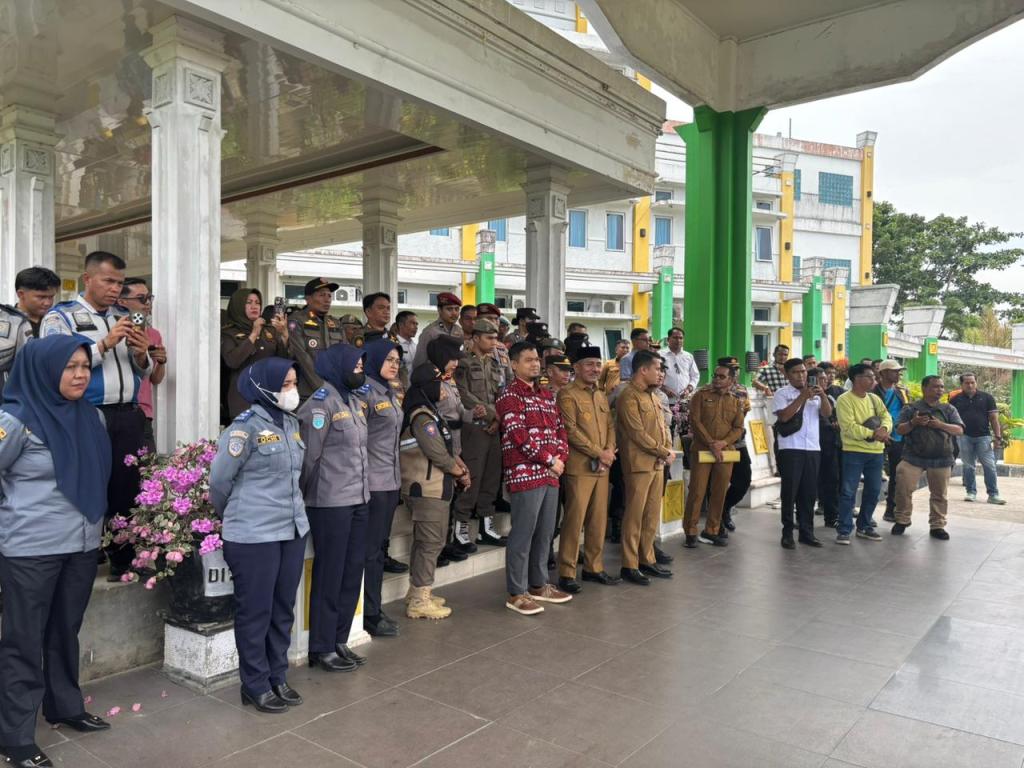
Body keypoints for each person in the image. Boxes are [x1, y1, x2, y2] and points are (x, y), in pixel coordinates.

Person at [0, 336, 113, 768]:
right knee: (23, 641)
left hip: (82, 544)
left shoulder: (93, 416)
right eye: (70, 367)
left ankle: (64, 705)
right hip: (30, 549)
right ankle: (14, 735)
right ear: (44, 369)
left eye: (85, 365)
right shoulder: (16, 419)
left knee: (65, 630)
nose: (81, 374)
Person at [42, 251, 152, 580]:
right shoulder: (61, 317)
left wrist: (141, 353)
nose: (115, 289)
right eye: (108, 281)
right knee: (89, 486)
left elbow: (142, 371)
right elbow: (55, 365)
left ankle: (123, 560)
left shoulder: (127, 315)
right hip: (87, 414)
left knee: (127, 488)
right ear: (88, 279)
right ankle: (84, 560)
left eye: (119, 282)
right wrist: (104, 344)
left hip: (128, 413)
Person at [210, 358, 307, 714]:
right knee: (256, 611)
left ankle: (277, 675)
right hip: (253, 534)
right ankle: (254, 683)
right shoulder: (243, 428)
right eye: (285, 384)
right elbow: (219, 483)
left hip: (292, 529)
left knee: (282, 608)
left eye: (294, 383)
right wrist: (238, 518)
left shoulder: (292, 423)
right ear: (264, 387)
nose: (292, 391)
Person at [297, 345, 370, 673]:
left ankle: (339, 639)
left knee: (353, 569)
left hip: (359, 499)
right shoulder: (318, 405)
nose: (359, 368)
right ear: (337, 365)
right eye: (355, 363)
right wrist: (304, 497)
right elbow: (309, 459)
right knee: (330, 573)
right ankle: (321, 646)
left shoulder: (354, 401)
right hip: (330, 502)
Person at [496, 341, 571, 615]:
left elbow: (561, 430)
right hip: (525, 473)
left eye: (537, 359)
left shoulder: (547, 396)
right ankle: (516, 592)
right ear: (513, 364)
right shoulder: (509, 395)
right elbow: (518, 436)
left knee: (545, 533)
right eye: (528, 360)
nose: (535, 364)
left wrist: (559, 458)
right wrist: (550, 460)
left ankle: (539, 585)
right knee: (523, 534)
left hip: (552, 473)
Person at [401, 363, 472, 619]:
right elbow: (437, 453)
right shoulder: (422, 416)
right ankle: (420, 600)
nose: (444, 387)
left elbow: (447, 449)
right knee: (431, 543)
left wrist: (460, 466)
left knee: (427, 542)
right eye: (439, 383)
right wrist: (460, 472)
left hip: (435, 486)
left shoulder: (431, 412)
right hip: (426, 488)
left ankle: (417, 590)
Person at [555, 345, 620, 593]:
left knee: (598, 520)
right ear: (576, 368)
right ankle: (566, 572)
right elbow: (570, 431)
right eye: (589, 364)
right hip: (579, 468)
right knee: (575, 521)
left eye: (597, 364)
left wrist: (610, 450)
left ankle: (594, 567)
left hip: (602, 466)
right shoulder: (567, 394)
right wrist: (599, 452)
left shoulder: (601, 394)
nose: (595, 369)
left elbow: (610, 425)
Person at [354, 338, 406, 635]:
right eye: (388, 359)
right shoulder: (364, 393)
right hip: (372, 482)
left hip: (390, 480)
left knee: (379, 548)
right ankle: (369, 613)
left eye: (397, 360)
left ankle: (374, 607)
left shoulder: (389, 391)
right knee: (371, 551)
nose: (394, 364)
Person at [616, 350, 675, 584]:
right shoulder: (628, 395)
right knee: (634, 515)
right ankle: (629, 564)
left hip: (657, 463)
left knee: (651, 515)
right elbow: (637, 433)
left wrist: (667, 451)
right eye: (658, 368)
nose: (661, 373)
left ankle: (647, 559)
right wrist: (663, 452)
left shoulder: (653, 396)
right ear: (643, 370)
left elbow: (663, 428)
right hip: (639, 464)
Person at [451, 319, 505, 556]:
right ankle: (460, 528)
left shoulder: (496, 362)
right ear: (475, 338)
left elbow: (503, 391)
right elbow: (462, 392)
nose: (494, 342)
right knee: (471, 476)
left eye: (495, 337)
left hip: (494, 426)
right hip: (474, 426)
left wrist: (498, 417)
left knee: (492, 477)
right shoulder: (463, 362)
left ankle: (486, 525)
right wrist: (492, 413)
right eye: (489, 338)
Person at [682, 363, 746, 549]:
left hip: (724, 452)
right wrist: (711, 443)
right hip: (703, 450)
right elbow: (695, 421)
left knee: (719, 492)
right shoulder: (701, 395)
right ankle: (691, 531)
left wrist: (722, 443)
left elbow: (738, 428)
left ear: (732, 380)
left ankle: (711, 530)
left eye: (721, 376)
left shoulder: (735, 400)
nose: (716, 379)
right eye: (715, 375)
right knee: (697, 491)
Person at [892, 375, 965, 539]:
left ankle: (937, 525)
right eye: (935, 386)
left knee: (940, 494)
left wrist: (940, 425)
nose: (939, 390)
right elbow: (899, 430)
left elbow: (959, 430)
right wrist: (913, 423)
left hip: (942, 457)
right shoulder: (911, 408)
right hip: (913, 457)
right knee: (903, 486)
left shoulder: (948, 409)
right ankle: (902, 520)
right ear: (924, 388)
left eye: (941, 387)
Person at [773, 356, 831, 549]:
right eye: (796, 372)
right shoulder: (782, 393)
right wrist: (802, 397)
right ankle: (787, 532)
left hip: (813, 448)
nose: (801, 375)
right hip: (790, 447)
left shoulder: (815, 392)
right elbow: (784, 416)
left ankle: (807, 532)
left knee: (808, 493)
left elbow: (827, 414)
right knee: (790, 493)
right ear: (787, 375)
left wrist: (822, 396)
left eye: (803, 371)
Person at [834, 363, 891, 544]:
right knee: (848, 491)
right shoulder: (845, 399)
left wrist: (884, 428)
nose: (874, 380)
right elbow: (849, 427)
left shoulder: (874, 399)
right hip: (854, 451)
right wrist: (875, 434)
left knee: (874, 490)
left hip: (876, 452)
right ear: (856, 379)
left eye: (874, 377)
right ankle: (844, 529)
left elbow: (887, 416)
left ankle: (864, 526)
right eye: (870, 376)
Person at [221, 289, 291, 420]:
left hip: (269, 397)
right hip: (243, 399)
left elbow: (284, 362)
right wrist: (254, 334)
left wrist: (284, 334)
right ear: (239, 306)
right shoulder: (229, 332)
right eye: (249, 303)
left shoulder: (270, 330)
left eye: (257, 303)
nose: (254, 306)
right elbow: (232, 361)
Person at [118, 279, 167, 452]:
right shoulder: (114, 330)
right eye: (141, 298)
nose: (147, 303)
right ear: (122, 302)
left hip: (143, 413)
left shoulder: (153, 334)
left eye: (149, 298)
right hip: (116, 409)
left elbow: (155, 379)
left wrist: (160, 362)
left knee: (148, 470)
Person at [0, 267, 59, 401]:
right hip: (12, 403)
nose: (48, 303)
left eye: (51, 297)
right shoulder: (6, 322)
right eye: (41, 297)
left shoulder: (58, 320)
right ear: (21, 294)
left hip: (48, 399)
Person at [950, 373, 1006, 505]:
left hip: (984, 437)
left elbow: (994, 419)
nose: (970, 385)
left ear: (976, 383)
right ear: (961, 385)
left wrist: (998, 437)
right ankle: (971, 492)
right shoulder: (955, 400)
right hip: (964, 437)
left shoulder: (987, 398)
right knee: (969, 466)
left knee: (990, 466)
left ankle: (993, 494)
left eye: (972, 382)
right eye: (967, 383)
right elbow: (950, 420)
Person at [287, 277, 345, 400]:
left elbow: (346, 354)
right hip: (310, 393)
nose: (327, 300)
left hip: (336, 390)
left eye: (329, 296)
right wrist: (323, 388)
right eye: (322, 295)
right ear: (308, 299)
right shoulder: (297, 321)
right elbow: (302, 357)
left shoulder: (336, 323)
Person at [873, 360, 911, 522]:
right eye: (894, 371)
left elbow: (907, 411)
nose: (898, 374)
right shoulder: (872, 392)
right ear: (883, 374)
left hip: (898, 438)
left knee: (897, 476)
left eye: (899, 371)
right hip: (877, 438)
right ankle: (868, 514)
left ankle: (891, 510)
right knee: (873, 477)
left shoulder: (902, 392)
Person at [719, 358, 752, 534]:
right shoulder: (710, 390)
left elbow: (745, 411)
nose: (736, 373)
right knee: (716, 482)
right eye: (732, 369)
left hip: (737, 442)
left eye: (737, 370)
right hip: (716, 445)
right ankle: (716, 519)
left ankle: (725, 508)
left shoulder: (741, 390)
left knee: (743, 480)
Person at [814, 365, 842, 529]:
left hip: (830, 443)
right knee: (809, 481)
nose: (826, 380)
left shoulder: (832, 396)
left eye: (827, 377)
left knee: (832, 479)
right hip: (811, 444)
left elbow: (831, 414)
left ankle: (831, 516)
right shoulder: (805, 396)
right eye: (821, 378)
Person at [412, 292, 463, 368]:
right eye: (449, 309)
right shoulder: (430, 332)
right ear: (439, 310)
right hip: (435, 377)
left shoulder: (459, 330)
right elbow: (419, 363)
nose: (454, 313)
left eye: (457, 309)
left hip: (454, 376)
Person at [394, 310, 419, 380]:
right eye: (413, 323)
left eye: (417, 324)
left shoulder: (415, 346)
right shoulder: (393, 345)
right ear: (401, 325)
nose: (416, 327)